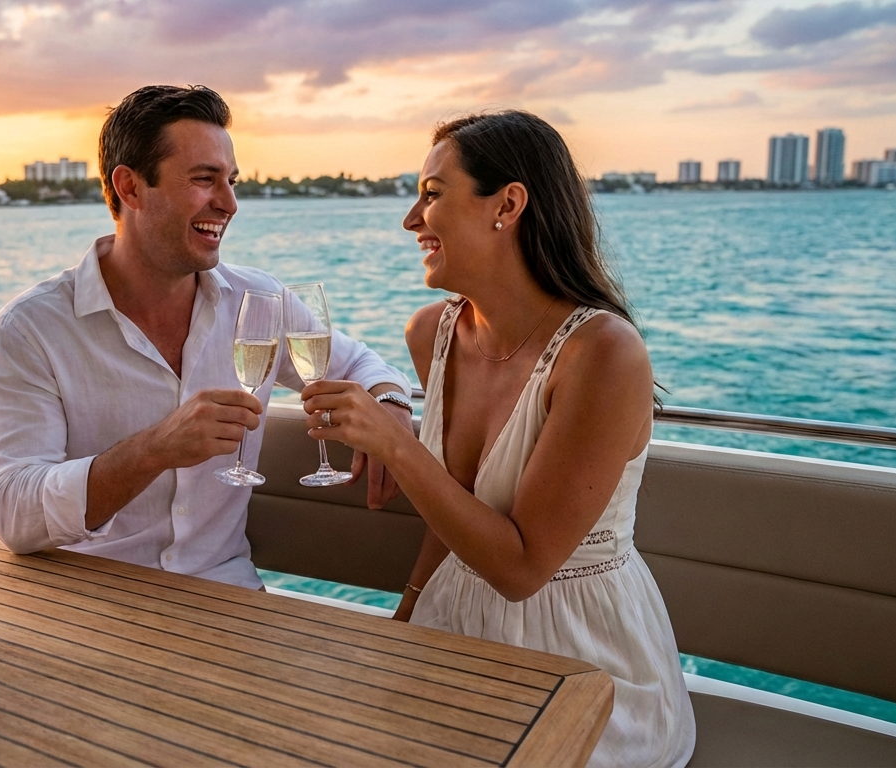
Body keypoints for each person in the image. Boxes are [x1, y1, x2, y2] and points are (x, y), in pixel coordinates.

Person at [298, 111, 696, 766]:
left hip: (583, 660)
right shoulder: (435, 331)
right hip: (455, 631)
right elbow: (452, 510)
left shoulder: (604, 355)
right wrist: (404, 622)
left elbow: (521, 569)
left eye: (431, 195)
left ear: (507, 204)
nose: (410, 221)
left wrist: (395, 443)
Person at [0, 85, 412, 589]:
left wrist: (391, 405)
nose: (229, 203)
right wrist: (153, 450)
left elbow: (358, 363)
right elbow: (12, 510)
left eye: (230, 181)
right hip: (87, 598)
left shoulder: (259, 301)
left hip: (225, 594)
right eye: (204, 180)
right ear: (131, 188)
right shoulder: (33, 327)